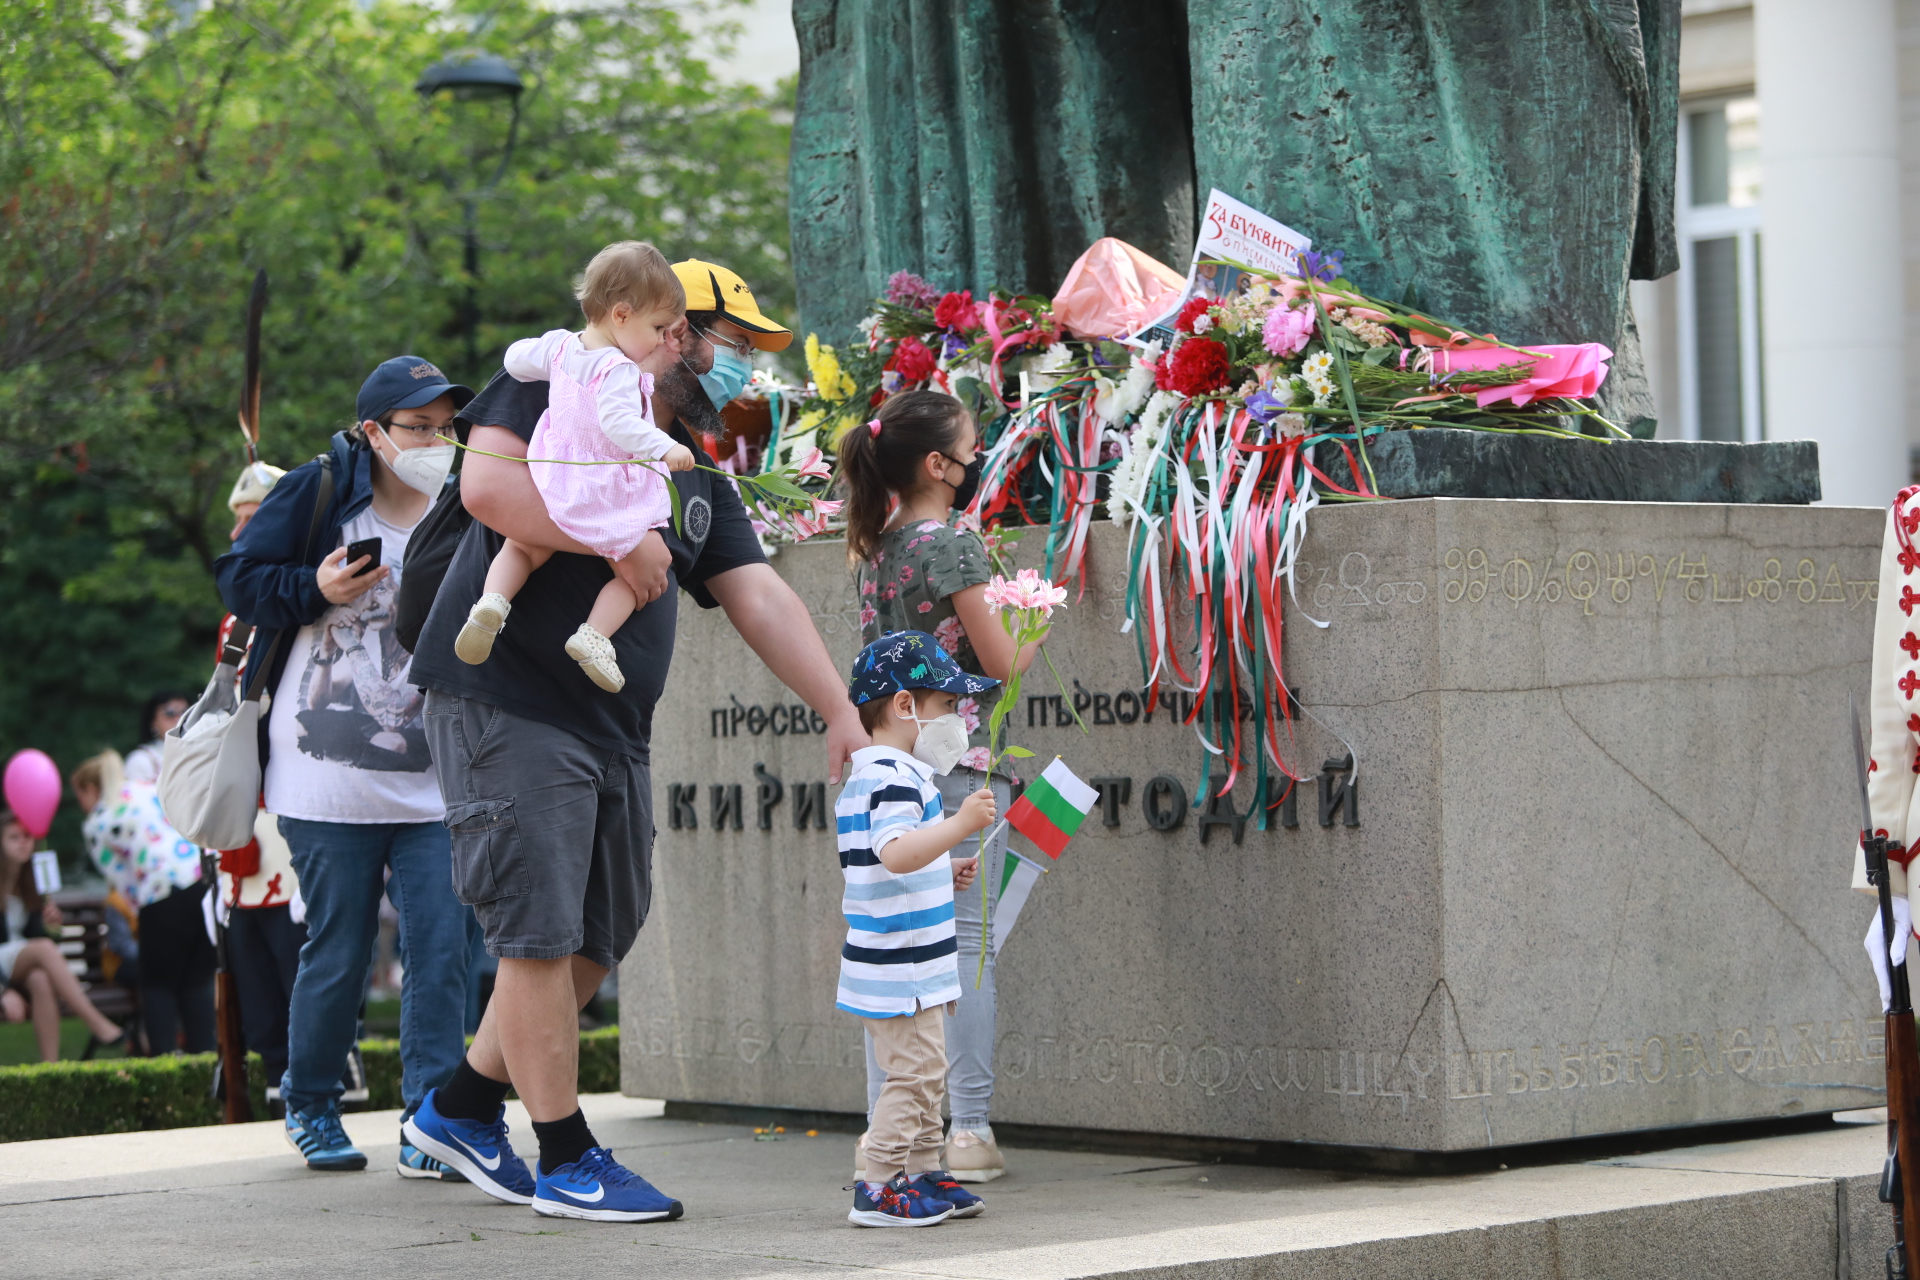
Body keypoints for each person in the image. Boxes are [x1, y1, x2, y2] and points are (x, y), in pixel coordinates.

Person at [401, 258, 871, 1223]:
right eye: (734, 342)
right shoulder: (553, 379)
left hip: (611, 725)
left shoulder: (687, 458)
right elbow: (491, 490)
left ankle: (459, 1109)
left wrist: (839, 710)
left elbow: (758, 593)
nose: (740, 365)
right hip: (508, 701)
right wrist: (615, 543)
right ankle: (567, 1157)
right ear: (673, 326)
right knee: (536, 934)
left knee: (601, 929)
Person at [213, 356, 475, 1177]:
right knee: (340, 948)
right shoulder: (320, 489)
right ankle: (312, 1102)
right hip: (324, 777)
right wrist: (313, 585)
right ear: (374, 431)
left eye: (445, 426)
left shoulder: (467, 500)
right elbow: (239, 578)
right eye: (419, 427)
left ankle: (431, 1122)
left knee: (442, 951)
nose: (437, 441)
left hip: (439, 776)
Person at [836, 388, 1047, 1183]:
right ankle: (967, 1131)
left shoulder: (875, 544)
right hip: (958, 768)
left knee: (895, 955)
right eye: (971, 444)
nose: (977, 455)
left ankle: (887, 1131)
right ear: (938, 464)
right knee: (964, 950)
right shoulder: (953, 543)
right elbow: (1001, 663)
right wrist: (1038, 617)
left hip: (892, 764)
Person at [456, 241, 695, 693]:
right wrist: (663, 448)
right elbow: (619, 423)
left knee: (523, 547)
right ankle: (595, 636)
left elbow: (513, 359)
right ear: (621, 314)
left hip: (554, 472)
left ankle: (491, 602)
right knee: (641, 567)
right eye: (659, 327)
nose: (664, 341)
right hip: (604, 484)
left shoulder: (561, 347)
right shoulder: (619, 370)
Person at [837, 632, 996, 1227]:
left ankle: (925, 1169)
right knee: (918, 1073)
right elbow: (898, 853)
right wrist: (957, 827)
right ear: (906, 707)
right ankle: (877, 1181)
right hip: (900, 967)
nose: (957, 720)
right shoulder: (892, 778)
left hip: (912, 964)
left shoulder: (892, 775)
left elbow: (900, 862)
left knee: (928, 1070)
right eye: (947, 706)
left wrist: (943, 867)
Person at [72, 751, 213, 1054]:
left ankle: (163, 1069)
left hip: (160, 892)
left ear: (90, 789)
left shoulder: (98, 821)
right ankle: (205, 1065)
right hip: (202, 882)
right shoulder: (145, 789)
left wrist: (143, 916)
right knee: (197, 982)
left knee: (157, 985)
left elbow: (122, 884)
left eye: (78, 795)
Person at [0, 808, 127, 1061]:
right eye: (14, 837)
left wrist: (51, 924)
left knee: (40, 979)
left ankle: (51, 1069)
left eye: (27, 836)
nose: (23, 843)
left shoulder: (32, 882)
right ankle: (96, 1022)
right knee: (44, 948)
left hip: (18, 961)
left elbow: (36, 937)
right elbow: (39, 946)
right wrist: (3, 992)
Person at [124, 690, 192, 785]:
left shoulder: (202, 754)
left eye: (185, 714)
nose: (178, 719)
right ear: (153, 721)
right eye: (170, 714)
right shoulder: (140, 760)